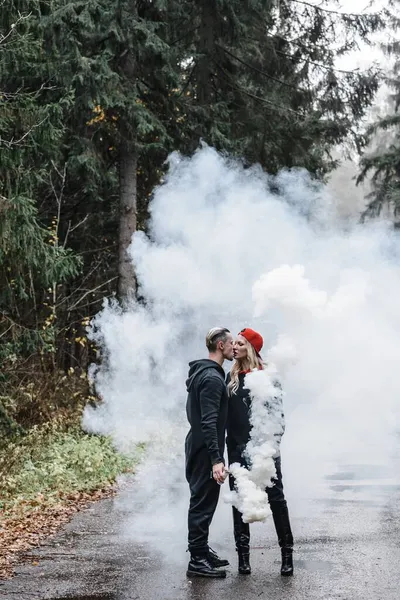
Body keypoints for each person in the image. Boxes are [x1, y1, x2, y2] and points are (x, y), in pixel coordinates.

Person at [226, 327, 294, 576]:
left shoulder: (268, 377)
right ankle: (243, 559)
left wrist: (271, 447)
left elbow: (279, 417)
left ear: (251, 348)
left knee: (277, 500)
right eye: (233, 342)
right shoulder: (230, 378)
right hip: (236, 448)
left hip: (265, 450)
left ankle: (287, 555)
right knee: (239, 501)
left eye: (240, 343)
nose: (234, 347)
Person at [185, 326, 234, 578]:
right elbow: (209, 421)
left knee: (204, 501)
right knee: (202, 503)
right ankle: (196, 560)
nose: (234, 347)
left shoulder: (202, 373)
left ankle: (202, 551)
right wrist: (216, 458)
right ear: (220, 346)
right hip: (206, 448)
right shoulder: (213, 379)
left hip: (198, 443)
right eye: (231, 343)